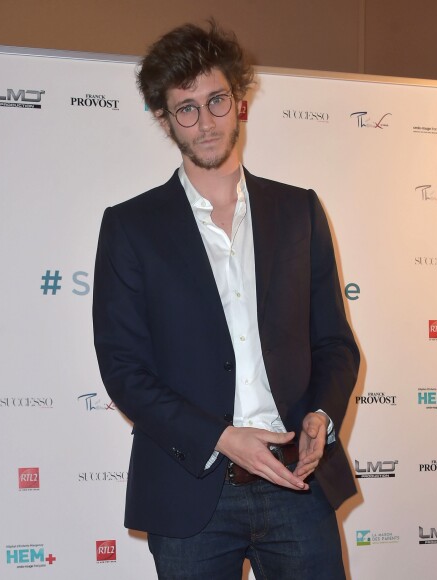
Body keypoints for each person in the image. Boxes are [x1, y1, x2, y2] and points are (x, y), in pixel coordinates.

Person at [92, 20, 360, 580]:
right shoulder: (130, 227)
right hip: (189, 492)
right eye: (185, 108)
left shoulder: (299, 212)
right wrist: (222, 438)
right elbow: (124, 371)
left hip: (297, 484)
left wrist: (321, 415)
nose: (206, 121)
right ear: (165, 119)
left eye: (216, 100)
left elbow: (335, 343)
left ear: (239, 102)